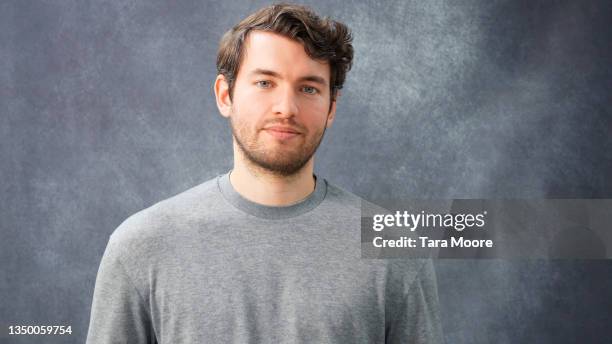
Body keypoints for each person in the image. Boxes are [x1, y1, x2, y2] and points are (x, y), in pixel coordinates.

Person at [86, 3, 443, 343]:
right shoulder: (141, 246)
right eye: (264, 83)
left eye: (308, 88)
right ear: (225, 95)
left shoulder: (396, 250)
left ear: (331, 107)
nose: (286, 108)